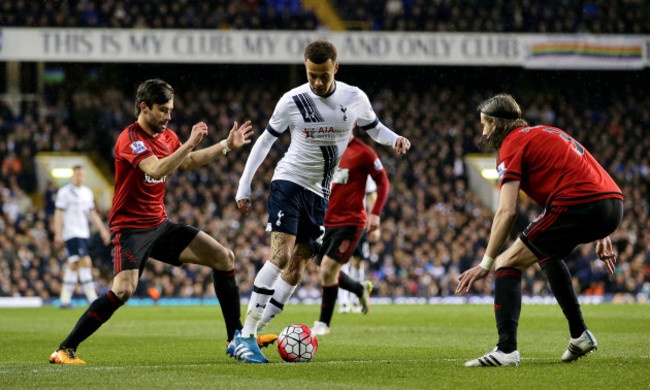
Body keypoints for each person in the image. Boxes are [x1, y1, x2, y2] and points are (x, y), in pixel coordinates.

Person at [49, 78, 274, 364]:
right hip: (130, 229)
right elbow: (155, 169)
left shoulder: (167, 137)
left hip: (160, 224)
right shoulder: (129, 140)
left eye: (170, 110)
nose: (168, 116)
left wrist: (225, 145)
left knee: (224, 257)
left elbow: (188, 162)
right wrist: (189, 143)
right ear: (144, 107)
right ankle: (65, 349)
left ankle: (236, 338)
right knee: (123, 290)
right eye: (163, 110)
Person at [231, 40, 410, 363]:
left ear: (335, 68)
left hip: (319, 194)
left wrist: (395, 138)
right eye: (312, 74)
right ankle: (245, 335)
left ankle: (254, 331)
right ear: (306, 69)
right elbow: (264, 142)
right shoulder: (292, 100)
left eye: (323, 75)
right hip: (289, 182)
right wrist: (244, 185)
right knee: (281, 256)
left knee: (297, 268)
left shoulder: (354, 98)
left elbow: (376, 129)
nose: (317, 82)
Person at [456, 94, 623, 367]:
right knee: (547, 253)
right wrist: (602, 231)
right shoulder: (549, 132)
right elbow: (587, 173)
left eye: (485, 124)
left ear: (498, 124)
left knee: (506, 261)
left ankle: (506, 350)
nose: (483, 131)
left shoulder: (511, 144)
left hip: (577, 203)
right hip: (612, 204)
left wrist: (485, 263)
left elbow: (507, 211)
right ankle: (579, 334)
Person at [312, 133, 389, 336]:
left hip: (350, 221)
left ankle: (323, 324)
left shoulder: (364, 152)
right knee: (323, 269)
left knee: (329, 269)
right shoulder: (327, 149)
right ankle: (359, 289)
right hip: (326, 220)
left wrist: (376, 215)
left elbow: (382, 183)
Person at [53, 165, 111, 307]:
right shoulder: (64, 192)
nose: (79, 177)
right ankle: (92, 298)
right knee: (86, 261)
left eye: (82, 174)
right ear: (73, 175)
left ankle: (64, 300)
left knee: (73, 264)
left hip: (84, 233)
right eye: (77, 174)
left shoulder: (87, 193)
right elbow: (59, 213)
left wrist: (103, 230)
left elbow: (92, 213)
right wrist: (58, 232)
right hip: (71, 233)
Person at [337, 177, 382, 315]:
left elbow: (371, 196)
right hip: (339, 222)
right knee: (340, 261)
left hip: (359, 224)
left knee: (358, 261)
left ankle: (356, 299)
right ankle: (343, 301)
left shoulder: (364, 171)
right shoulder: (335, 167)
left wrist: (375, 225)